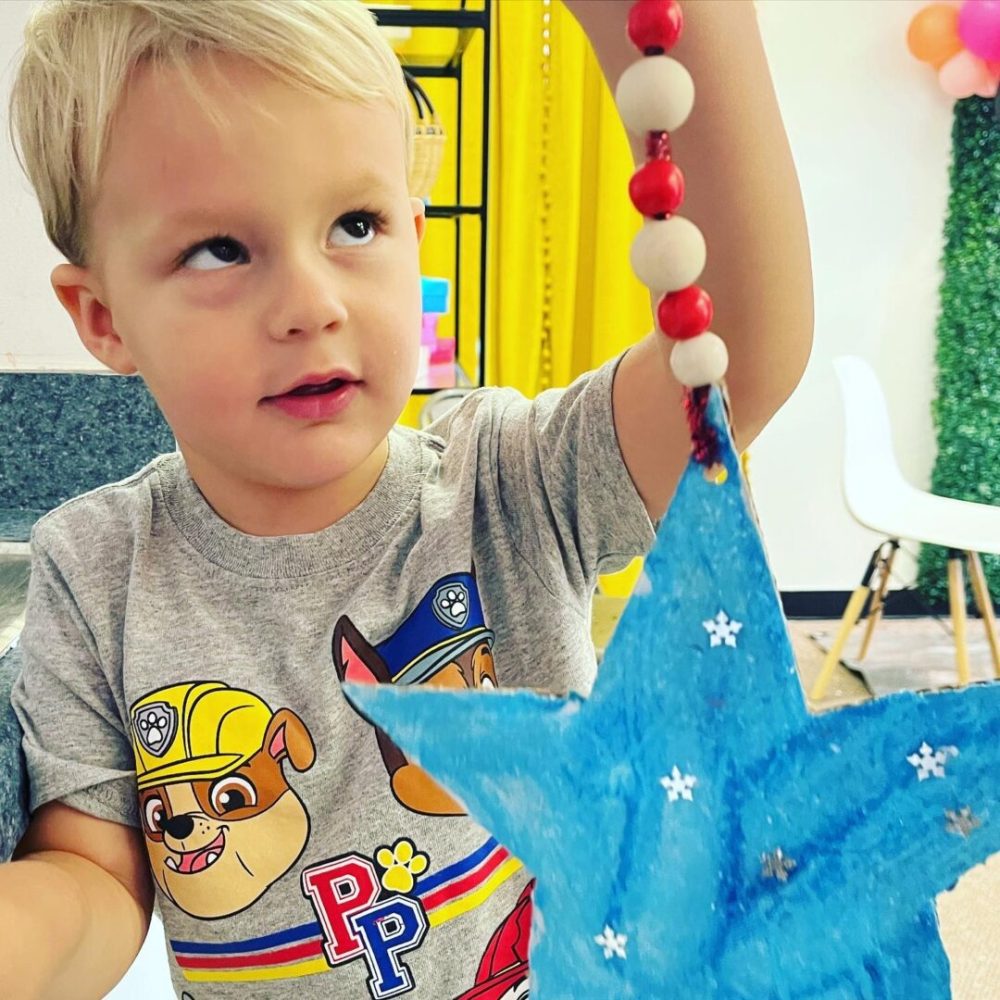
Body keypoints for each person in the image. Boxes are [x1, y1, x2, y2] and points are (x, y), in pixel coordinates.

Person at [0, 1, 813, 997]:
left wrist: (689, 31)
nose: (312, 304)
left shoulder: (509, 482)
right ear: (103, 316)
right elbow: (92, 877)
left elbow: (738, 358)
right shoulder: (93, 572)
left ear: (413, 241)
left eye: (355, 224)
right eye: (219, 249)